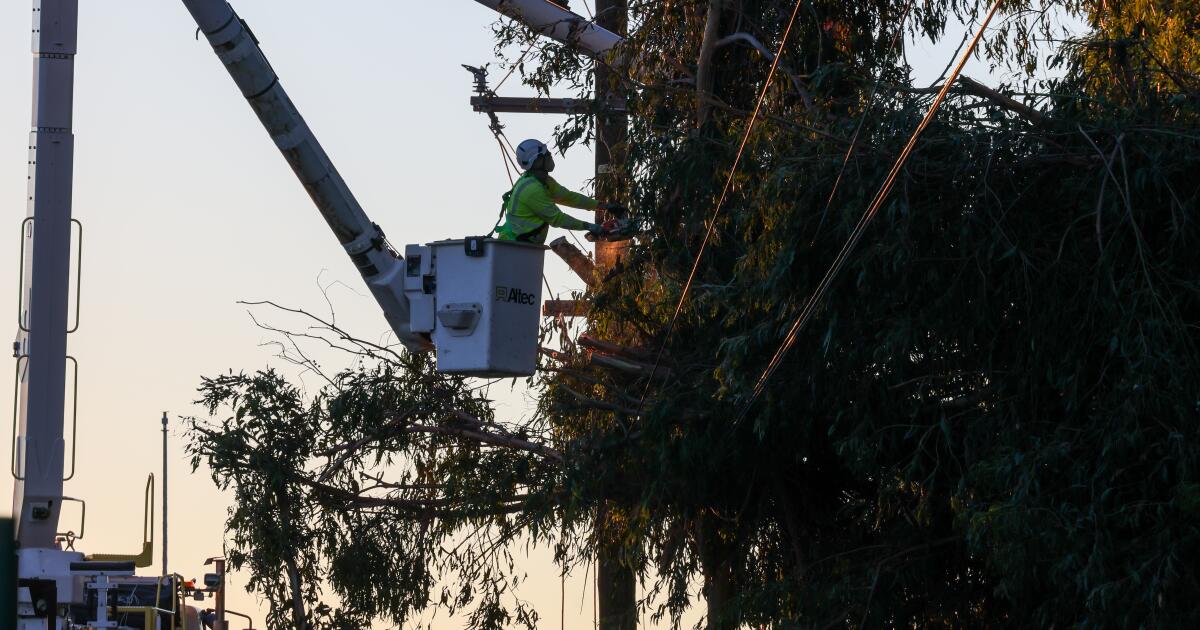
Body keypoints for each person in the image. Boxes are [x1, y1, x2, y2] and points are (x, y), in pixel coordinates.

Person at [496, 139, 622, 244]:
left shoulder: (544, 181)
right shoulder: (532, 189)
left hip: (522, 245)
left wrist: (603, 206)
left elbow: (569, 197)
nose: (550, 155)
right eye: (546, 154)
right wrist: (589, 226)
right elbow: (557, 219)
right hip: (512, 245)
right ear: (537, 161)